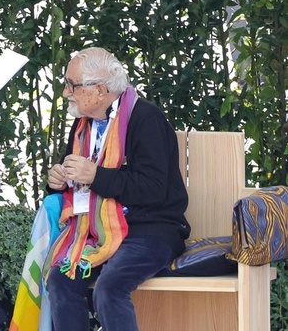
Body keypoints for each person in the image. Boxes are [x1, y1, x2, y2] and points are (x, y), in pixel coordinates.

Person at [44, 47, 190, 331]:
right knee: (61, 280)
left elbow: (153, 189)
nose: (65, 93)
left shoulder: (145, 118)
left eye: (71, 85)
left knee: (109, 288)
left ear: (99, 89)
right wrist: (58, 182)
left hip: (150, 230)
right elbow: (76, 183)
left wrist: (95, 175)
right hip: (95, 231)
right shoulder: (82, 123)